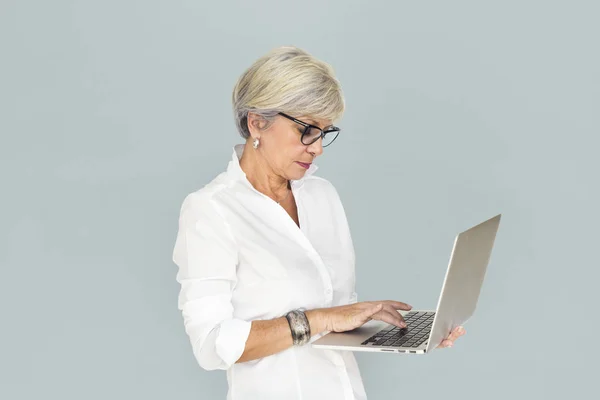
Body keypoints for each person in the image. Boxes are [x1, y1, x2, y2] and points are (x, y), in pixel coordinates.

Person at [172, 46, 465, 400]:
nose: (318, 148)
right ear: (256, 122)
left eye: (325, 132)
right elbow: (210, 344)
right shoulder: (211, 210)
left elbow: (336, 318)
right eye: (307, 130)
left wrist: (406, 332)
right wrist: (321, 319)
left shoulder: (321, 196)